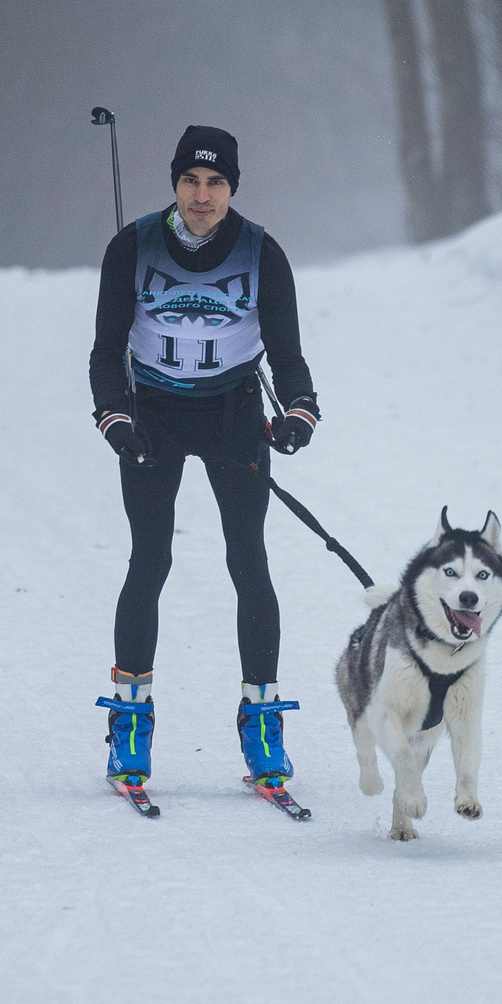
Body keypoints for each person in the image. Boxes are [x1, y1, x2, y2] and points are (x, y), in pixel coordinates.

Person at [89, 124, 321, 796]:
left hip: (232, 416)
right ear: (175, 182)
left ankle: (263, 723)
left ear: (231, 188)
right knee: (150, 559)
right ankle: (130, 724)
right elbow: (106, 352)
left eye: (215, 182)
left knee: (249, 559)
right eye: (190, 180)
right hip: (152, 417)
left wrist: (300, 410)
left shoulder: (261, 253)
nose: (201, 194)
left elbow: (288, 354)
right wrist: (115, 416)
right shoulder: (131, 246)